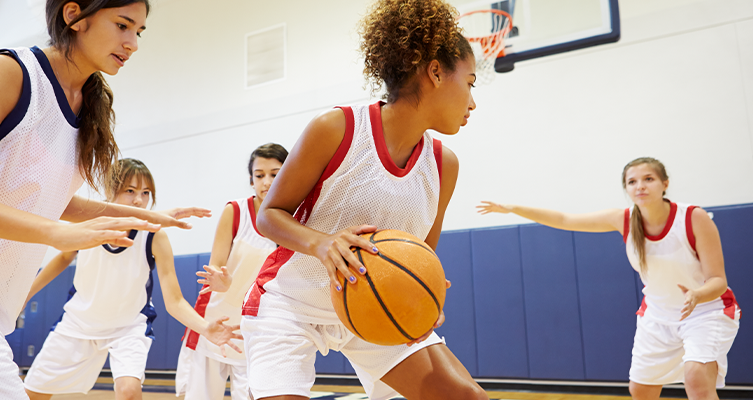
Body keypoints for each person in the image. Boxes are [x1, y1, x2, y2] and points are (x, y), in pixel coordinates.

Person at [0, 1, 208, 399]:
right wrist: (54, 234)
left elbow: (50, 199)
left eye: (139, 31)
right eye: (122, 25)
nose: (133, 43)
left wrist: (140, 215)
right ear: (73, 15)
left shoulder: (90, 106)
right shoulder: (12, 71)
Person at [239, 1, 488, 399]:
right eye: (471, 83)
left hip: (372, 305)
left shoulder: (444, 165)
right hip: (292, 302)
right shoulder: (337, 128)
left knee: (466, 397)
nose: (473, 102)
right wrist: (322, 243)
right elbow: (269, 214)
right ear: (436, 73)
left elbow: (420, 252)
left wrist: (424, 288)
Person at [477, 157, 741, 400]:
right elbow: (565, 218)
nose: (640, 186)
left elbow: (717, 280)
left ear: (665, 184)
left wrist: (697, 294)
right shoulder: (623, 219)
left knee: (696, 381)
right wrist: (513, 208)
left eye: (648, 179)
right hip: (659, 316)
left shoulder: (693, 217)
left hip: (705, 311)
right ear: (626, 188)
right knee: (640, 389)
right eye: (632, 181)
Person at [23, 158, 242, 400]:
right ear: (109, 190)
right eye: (130, 191)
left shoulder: (154, 237)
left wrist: (204, 328)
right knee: (32, 393)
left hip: (128, 327)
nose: (139, 200)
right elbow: (64, 257)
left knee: (129, 391)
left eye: (145, 193)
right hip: (79, 322)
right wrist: (27, 293)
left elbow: (175, 300)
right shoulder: (88, 222)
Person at [175, 143, 288, 400]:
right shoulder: (235, 211)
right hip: (215, 318)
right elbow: (215, 264)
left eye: (275, 174)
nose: (267, 182)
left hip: (256, 329)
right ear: (251, 179)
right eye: (260, 175)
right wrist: (220, 280)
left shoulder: (293, 220)